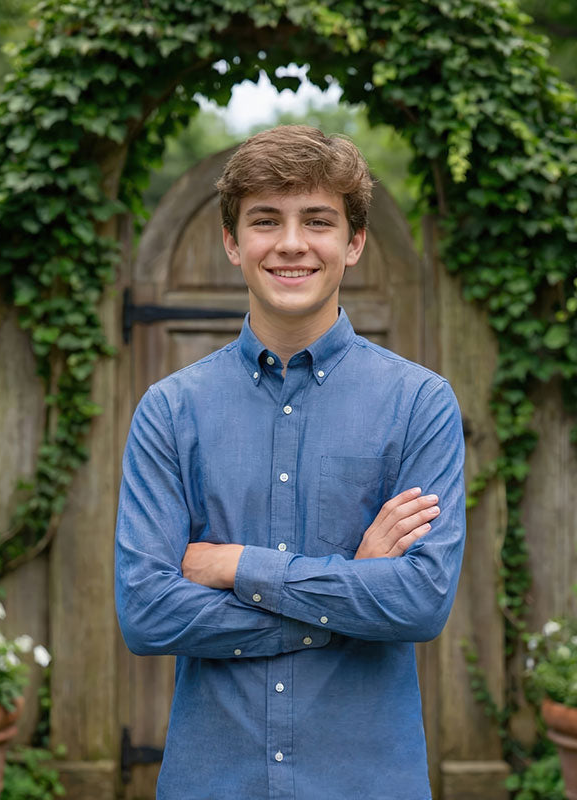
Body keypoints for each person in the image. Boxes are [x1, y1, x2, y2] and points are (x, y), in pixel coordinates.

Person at [115, 125, 466, 800]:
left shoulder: (420, 404)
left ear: (354, 242)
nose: (292, 243)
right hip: (212, 781)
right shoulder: (169, 411)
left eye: (319, 221)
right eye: (265, 220)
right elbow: (147, 614)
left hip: (367, 782)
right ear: (232, 242)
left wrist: (235, 566)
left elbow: (420, 603)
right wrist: (351, 593)